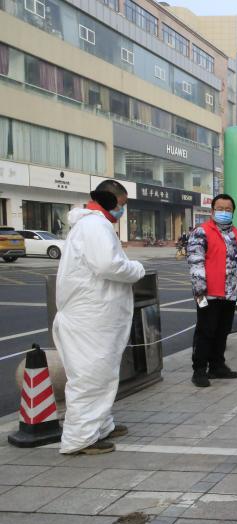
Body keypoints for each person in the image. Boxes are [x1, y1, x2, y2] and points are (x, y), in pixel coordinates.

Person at [54, 180, 145, 455]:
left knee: (101, 374)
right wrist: (137, 268)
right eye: (122, 204)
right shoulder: (95, 225)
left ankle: (100, 425)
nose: (122, 211)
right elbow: (108, 265)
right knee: (90, 377)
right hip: (90, 318)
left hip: (94, 316)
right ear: (111, 200)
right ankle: (80, 438)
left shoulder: (93, 225)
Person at [188, 194, 237, 388]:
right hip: (208, 293)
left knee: (223, 330)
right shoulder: (202, 232)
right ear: (212, 211)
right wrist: (199, 289)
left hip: (230, 292)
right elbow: (196, 262)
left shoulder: (236, 234)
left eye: (228, 209)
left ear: (233, 212)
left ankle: (217, 366)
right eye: (220, 209)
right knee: (205, 331)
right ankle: (199, 370)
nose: (224, 212)